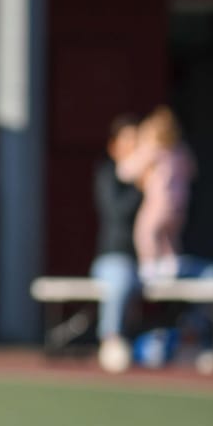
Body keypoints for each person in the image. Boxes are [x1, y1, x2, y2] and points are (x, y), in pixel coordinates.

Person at [117, 104, 196, 281]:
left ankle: (149, 265)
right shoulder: (179, 152)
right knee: (169, 235)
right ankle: (171, 263)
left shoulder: (154, 150)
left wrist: (123, 167)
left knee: (145, 231)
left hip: (160, 201)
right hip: (180, 204)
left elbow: (128, 170)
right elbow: (192, 170)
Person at [92, 115, 144, 373]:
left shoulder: (159, 174)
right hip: (115, 257)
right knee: (120, 281)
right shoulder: (108, 174)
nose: (135, 147)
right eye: (129, 141)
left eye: (139, 141)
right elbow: (117, 212)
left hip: (152, 261)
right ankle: (111, 338)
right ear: (114, 145)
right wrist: (139, 186)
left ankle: (195, 339)